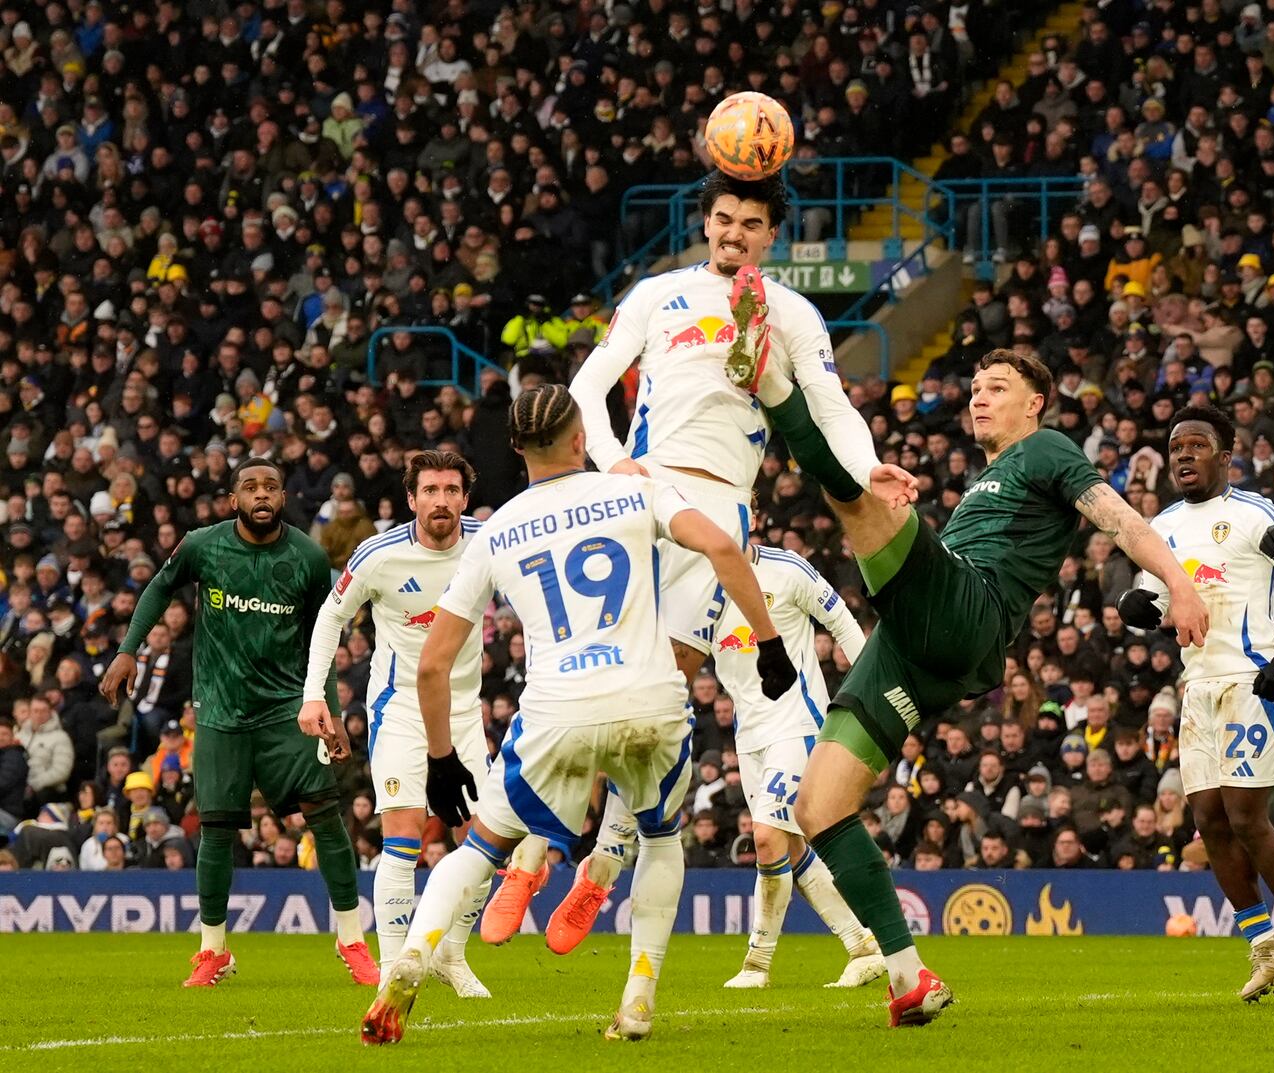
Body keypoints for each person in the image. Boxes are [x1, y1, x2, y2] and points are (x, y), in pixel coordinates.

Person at [487, 170, 906, 932]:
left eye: (749, 223)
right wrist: (612, 461)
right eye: (721, 219)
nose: (732, 233)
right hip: (644, 495)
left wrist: (867, 463)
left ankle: (601, 863)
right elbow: (588, 384)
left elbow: (832, 404)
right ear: (705, 222)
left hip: (719, 510)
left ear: (771, 236)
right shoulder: (657, 294)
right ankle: (531, 855)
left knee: (661, 689)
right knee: (597, 675)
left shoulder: (791, 313)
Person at [745, 347, 1210, 1025]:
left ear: (1035, 404)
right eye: (974, 387)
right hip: (913, 643)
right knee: (817, 807)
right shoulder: (986, 483)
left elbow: (1122, 519)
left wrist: (1180, 583)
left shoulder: (1047, 448)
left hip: (969, 608)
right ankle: (909, 978)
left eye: (998, 387)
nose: (979, 397)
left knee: (847, 491)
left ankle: (771, 381)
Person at [359, 385, 797, 1044]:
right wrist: (769, 642)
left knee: (479, 846)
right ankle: (639, 995)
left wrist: (444, 757)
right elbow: (725, 549)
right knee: (658, 839)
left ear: (515, 449)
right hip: (650, 701)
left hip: (555, 712)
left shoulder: (497, 528)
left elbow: (431, 663)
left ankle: (410, 961)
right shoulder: (636, 490)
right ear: (580, 438)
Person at [100, 458, 378, 989]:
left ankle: (351, 940)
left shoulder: (307, 556)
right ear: (234, 501)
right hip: (221, 712)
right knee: (217, 830)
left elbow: (326, 638)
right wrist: (128, 650)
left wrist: (332, 713)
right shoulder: (203, 545)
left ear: (283, 496)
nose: (261, 493)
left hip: (287, 712)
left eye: (271, 485)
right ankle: (213, 951)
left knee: (325, 815)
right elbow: (160, 587)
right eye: (250, 486)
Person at [596, 541, 884, 990]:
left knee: (766, 838)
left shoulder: (787, 569)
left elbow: (842, 621)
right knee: (788, 849)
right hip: (749, 737)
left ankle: (757, 964)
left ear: (749, 512)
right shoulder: (696, 588)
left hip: (799, 722)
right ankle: (861, 946)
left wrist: (864, 694)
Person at [1116, 404, 1274, 1003]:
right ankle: (1264, 943)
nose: (1183, 455)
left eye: (1196, 445)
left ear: (1226, 453)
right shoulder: (1161, 526)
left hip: (1253, 679)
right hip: (1198, 684)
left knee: (1244, 814)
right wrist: (1141, 609)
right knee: (1208, 819)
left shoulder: (1260, 514)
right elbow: (1159, 599)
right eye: (1175, 447)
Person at [299, 450, 491, 996]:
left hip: (463, 712)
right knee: (403, 838)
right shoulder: (379, 554)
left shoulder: (490, 540)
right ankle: (392, 969)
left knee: (481, 842)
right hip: (401, 709)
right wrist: (316, 695)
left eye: (452, 490)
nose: (442, 501)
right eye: (430, 491)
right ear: (411, 500)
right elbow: (332, 616)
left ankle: (452, 954)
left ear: (464, 498)